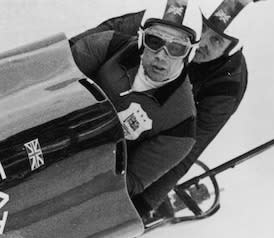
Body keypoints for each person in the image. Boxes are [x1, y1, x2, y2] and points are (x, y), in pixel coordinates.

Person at [71, 0, 263, 217]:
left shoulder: (227, 87)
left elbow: (191, 144)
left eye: (216, 40)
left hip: (153, 131)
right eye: (202, 28)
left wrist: (144, 203)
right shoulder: (171, 25)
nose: (202, 43)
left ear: (229, 51)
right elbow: (105, 34)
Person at [70, 0, 202, 197]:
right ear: (141, 40)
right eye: (155, 41)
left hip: (79, 173)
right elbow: (53, 81)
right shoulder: (108, 45)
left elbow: (129, 182)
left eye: (176, 48)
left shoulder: (181, 124)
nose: (161, 56)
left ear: (189, 53)